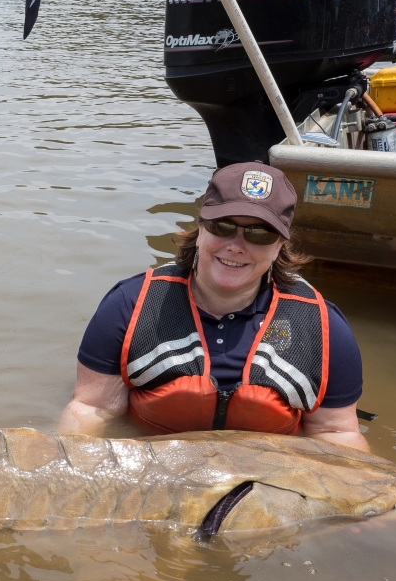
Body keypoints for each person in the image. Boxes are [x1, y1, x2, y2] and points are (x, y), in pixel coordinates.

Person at [56, 162, 369, 451]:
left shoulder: (324, 328)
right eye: (223, 226)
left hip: (265, 481)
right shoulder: (129, 304)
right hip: (153, 468)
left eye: (259, 234)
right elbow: (92, 409)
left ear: (279, 246)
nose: (236, 246)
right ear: (201, 228)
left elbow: (336, 433)